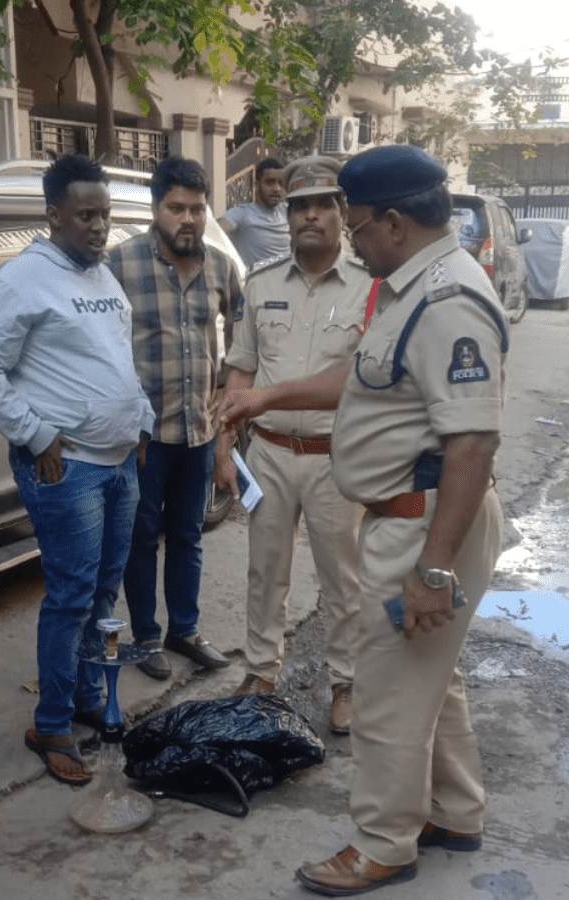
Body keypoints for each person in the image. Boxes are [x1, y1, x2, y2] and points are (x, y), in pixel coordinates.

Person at [217, 144, 506, 896]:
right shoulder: (409, 288)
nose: (352, 238)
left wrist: (433, 569)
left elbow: (473, 445)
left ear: (396, 222)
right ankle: (455, 813)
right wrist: (266, 397)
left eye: (360, 224)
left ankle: (384, 843)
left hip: (423, 522)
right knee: (431, 681)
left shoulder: (448, 300)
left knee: (384, 695)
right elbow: (364, 375)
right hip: (410, 515)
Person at [0, 155, 153, 787]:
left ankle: (87, 696)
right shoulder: (22, 279)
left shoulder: (102, 275)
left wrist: (140, 420)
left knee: (103, 591)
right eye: (86, 215)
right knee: (71, 596)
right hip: (68, 470)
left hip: (118, 463)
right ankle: (50, 725)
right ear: (53, 214)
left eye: (105, 215)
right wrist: (35, 433)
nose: (99, 227)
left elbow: (116, 357)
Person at [214, 155, 371, 735]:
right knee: (265, 571)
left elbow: (362, 380)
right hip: (270, 454)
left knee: (343, 578)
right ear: (286, 215)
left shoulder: (369, 287)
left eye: (323, 204)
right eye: (299, 205)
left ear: (342, 213)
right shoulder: (261, 283)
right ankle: (260, 671)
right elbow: (241, 366)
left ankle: (346, 681)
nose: (310, 216)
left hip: (336, 459)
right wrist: (224, 443)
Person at [109, 155, 242, 681]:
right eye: (176, 208)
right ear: (155, 208)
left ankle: (184, 630)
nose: (188, 218)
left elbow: (244, 337)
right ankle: (145, 636)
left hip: (198, 431)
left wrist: (227, 390)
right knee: (141, 538)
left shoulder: (222, 267)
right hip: (144, 437)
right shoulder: (120, 265)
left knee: (188, 535)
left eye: (197, 208)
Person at [219, 157, 289, 267]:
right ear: (256, 184)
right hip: (256, 277)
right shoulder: (242, 214)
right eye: (270, 182)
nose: (277, 189)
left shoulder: (288, 212)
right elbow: (214, 232)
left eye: (281, 183)